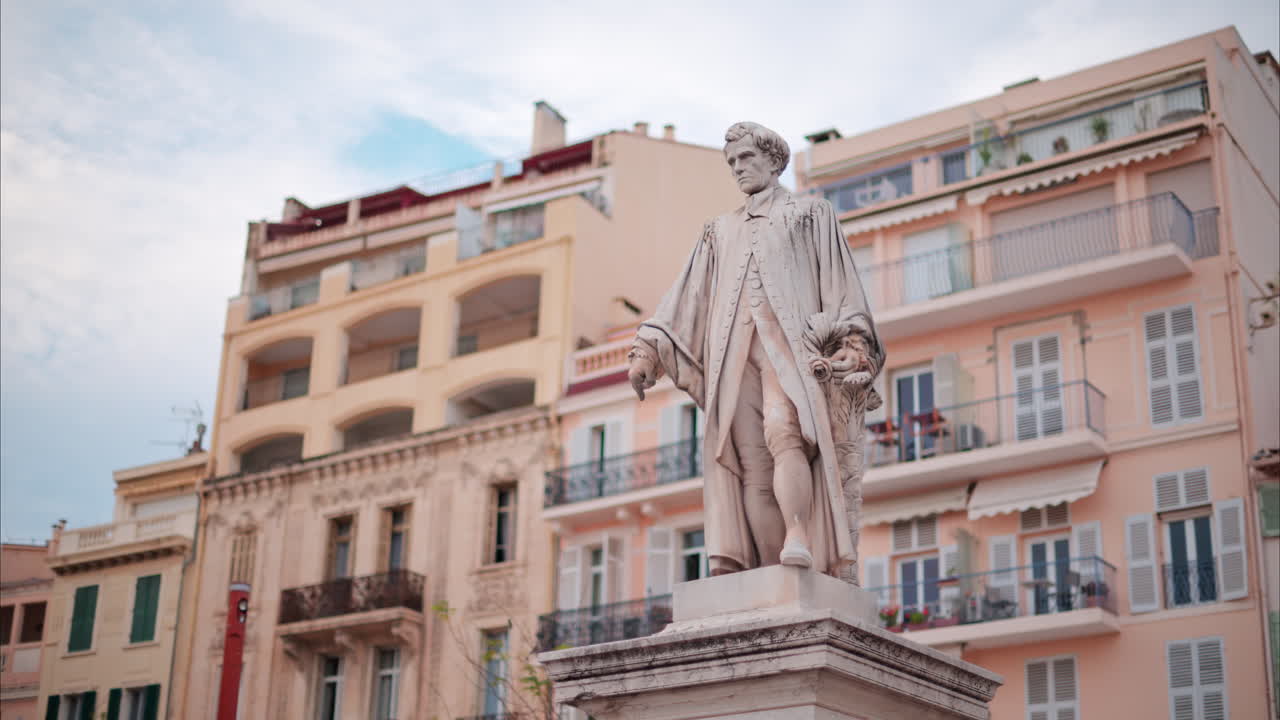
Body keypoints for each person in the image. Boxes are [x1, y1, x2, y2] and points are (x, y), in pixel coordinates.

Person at [627, 121, 884, 578]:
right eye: (731, 162)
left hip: (789, 350)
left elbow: (840, 285)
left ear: (773, 159)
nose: (737, 168)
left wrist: (853, 341)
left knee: (786, 432)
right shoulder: (718, 231)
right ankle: (769, 570)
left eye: (746, 158)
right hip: (733, 355)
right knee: (749, 463)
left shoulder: (809, 214)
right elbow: (686, 296)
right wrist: (648, 351)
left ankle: (799, 536)